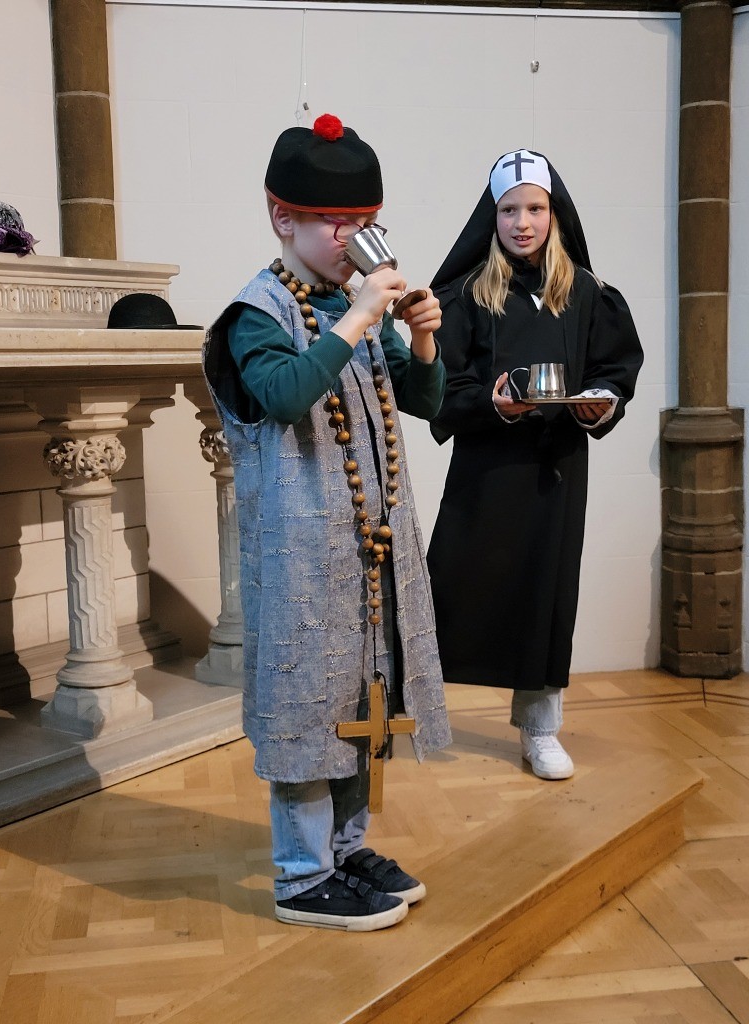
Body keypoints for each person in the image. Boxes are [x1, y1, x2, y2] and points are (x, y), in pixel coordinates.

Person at [203, 113, 452, 932]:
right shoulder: (255, 313)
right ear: (284, 217)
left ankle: (345, 852)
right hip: (302, 562)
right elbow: (283, 396)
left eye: (366, 222)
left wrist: (421, 341)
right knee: (306, 709)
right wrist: (360, 317)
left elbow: (421, 403)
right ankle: (301, 875)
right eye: (337, 223)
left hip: (366, 554)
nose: (354, 240)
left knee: (359, 700)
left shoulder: (350, 303)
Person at [427, 149, 643, 782]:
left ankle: (540, 728)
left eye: (535, 209)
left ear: (555, 214)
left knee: (546, 596)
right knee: (450, 586)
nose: (522, 223)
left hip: (556, 468)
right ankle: (402, 706)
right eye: (509, 210)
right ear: (490, 218)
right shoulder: (467, 296)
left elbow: (613, 372)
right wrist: (490, 403)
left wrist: (600, 403)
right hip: (487, 468)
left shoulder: (587, 294)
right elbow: (439, 385)